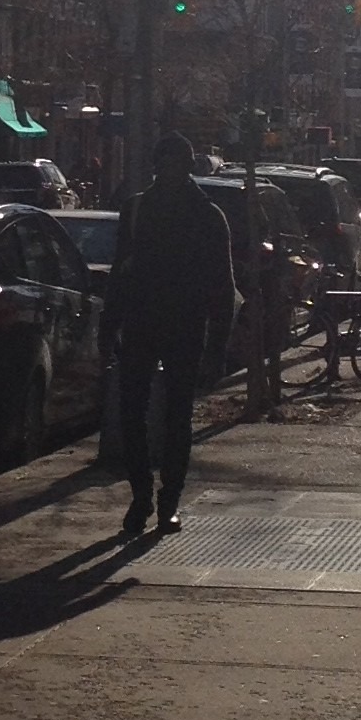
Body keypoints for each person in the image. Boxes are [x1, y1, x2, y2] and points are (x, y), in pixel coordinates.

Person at [101, 134, 237, 537]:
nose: (170, 171)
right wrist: (109, 325)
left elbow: (222, 286)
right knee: (132, 414)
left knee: (178, 417)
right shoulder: (137, 209)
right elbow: (119, 273)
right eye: (164, 164)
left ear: (187, 167)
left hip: (185, 326)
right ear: (156, 166)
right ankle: (141, 495)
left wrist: (217, 346)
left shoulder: (207, 215)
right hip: (141, 323)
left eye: (177, 164)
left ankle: (168, 501)